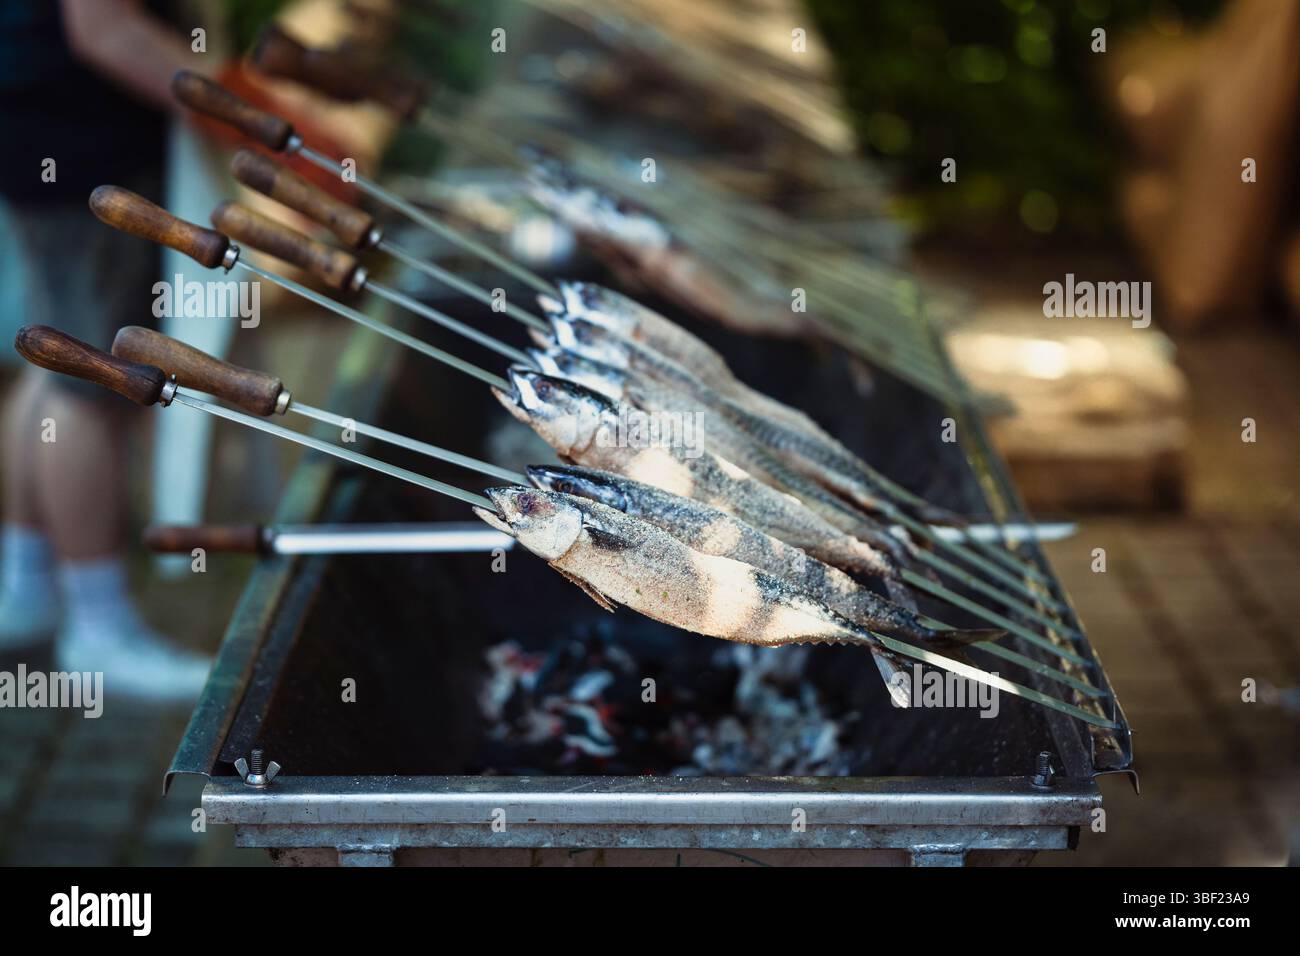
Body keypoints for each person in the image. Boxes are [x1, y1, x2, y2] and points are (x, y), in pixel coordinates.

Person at [0, 1, 216, 700]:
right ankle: (99, 629)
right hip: (81, 134)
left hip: (42, 117)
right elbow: (105, 28)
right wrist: (242, 108)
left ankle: (28, 582)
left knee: (56, 354)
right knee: (92, 383)